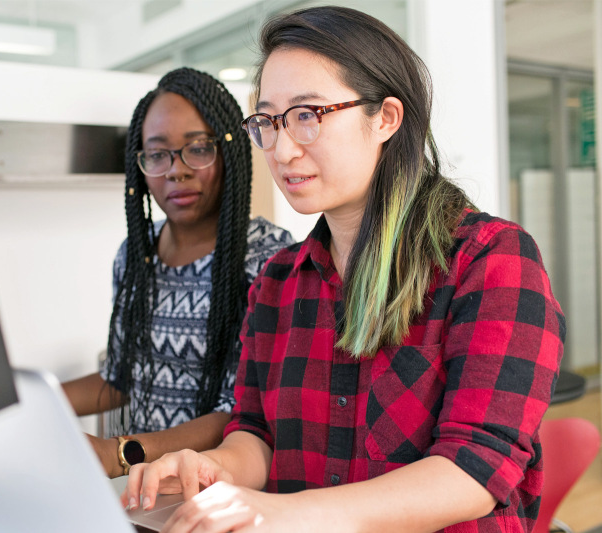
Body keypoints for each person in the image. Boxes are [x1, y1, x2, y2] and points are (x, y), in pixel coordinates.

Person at [123, 7, 565, 533]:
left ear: (385, 118)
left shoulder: (491, 260)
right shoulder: (278, 281)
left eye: (308, 114)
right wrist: (216, 466)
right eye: (267, 121)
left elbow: (474, 469)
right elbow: (257, 433)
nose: (283, 149)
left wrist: (284, 511)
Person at [62, 67, 294, 479]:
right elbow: (120, 377)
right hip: (144, 489)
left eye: (198, 148)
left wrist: (120, 454)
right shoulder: (136, 254)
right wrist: (25, 404)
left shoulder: (267, 259)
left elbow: (242, 412)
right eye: (157, 154)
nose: (177, 170)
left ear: (229, 152)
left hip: (221, 489)